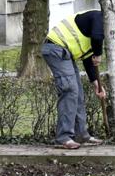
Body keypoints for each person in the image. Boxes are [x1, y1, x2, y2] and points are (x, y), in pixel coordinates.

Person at [42, 10, 108, 149]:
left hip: (65, 53)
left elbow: (88, 61)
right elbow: (97, 38)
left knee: (77, 92)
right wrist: (98, 54)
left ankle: (81, 134)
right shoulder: (99, 17)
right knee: (69, 91)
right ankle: (63, 138)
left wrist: (97, 84)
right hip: (55, 48)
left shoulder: (95, 27)